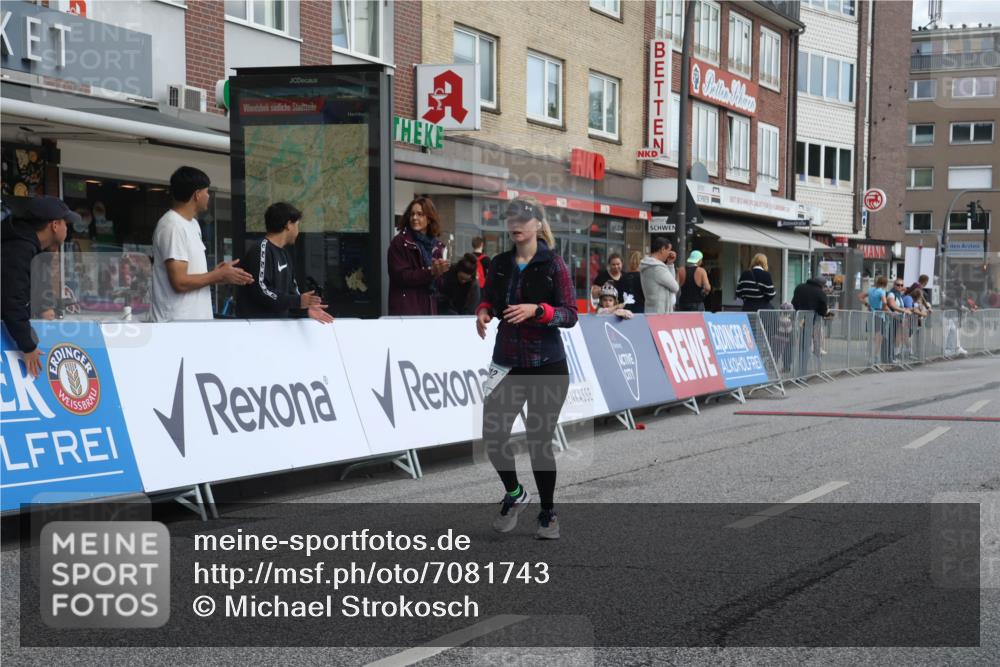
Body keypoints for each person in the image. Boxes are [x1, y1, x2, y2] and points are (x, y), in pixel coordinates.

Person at [475, 196, 576, 540]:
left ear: (537, 224)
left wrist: (539, 311)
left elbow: (570, 315)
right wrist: (483, 311)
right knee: (493, 434)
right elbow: (489, 299)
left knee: (538, 440)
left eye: (522, 219)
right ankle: (516, 493)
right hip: (507, 362)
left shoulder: (553, 264)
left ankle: (548, 512)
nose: (515, 224)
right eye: (511, 219)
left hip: (547, 365)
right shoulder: (500, 263)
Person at [151, 166, 252, 322]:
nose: (208, 196)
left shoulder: (193, 224)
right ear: (197, 195)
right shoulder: (172, 226)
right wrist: (217, 275)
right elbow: (179, 282)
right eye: (207, 191)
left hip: (195, 322)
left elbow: (191, 276)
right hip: (176, 324)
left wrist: (219, 275)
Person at [1, 196, 77, 377]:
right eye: (66, 223)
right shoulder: (18, 249)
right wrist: (28, 345)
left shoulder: (37, 251)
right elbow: (12, 300)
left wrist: (46, 309)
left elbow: (40, 291)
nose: (67, 229)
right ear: (55, 225)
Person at [236, 202, 332, 323]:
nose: (298, 231)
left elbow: (292, 291)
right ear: (288, 225)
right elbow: (261, 290)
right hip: (257, 327)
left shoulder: (284, 254)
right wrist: (297, 301)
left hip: (279, 328)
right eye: (297, 225)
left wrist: (305, 307)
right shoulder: (261, 249)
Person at [387, 196, 449, 316]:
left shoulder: (438, 246)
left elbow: (441, 286)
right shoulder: (400, 242)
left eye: (420, 214)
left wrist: (442, 272)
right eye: (412, 214)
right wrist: (431, 272)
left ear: (429, 219)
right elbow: (401, 276)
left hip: (429, 309)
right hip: (406, 310)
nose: (414, 218)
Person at [639, 236, 679, 314]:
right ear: (662, 249)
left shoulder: (647, 265)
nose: (669, 254)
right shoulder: (657, 268)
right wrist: (669, 266)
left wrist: (670, 264)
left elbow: (670, 280)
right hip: (661, 312)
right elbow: (675, 287)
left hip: (651, 310)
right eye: (668, 250)